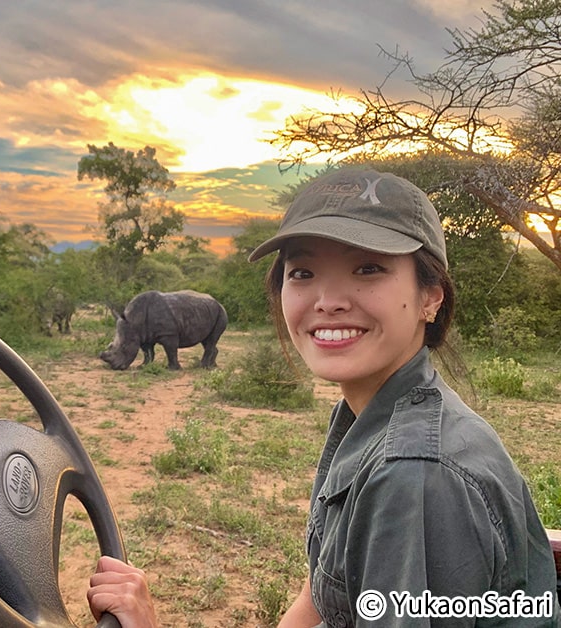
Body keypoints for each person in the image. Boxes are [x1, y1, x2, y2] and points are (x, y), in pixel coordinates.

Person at [87, 167, 561, 627]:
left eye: (368, 268)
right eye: (304, 272)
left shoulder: (414, 472)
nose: (328, 300)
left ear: (430, 297)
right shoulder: (368, 414)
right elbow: (321, 589)